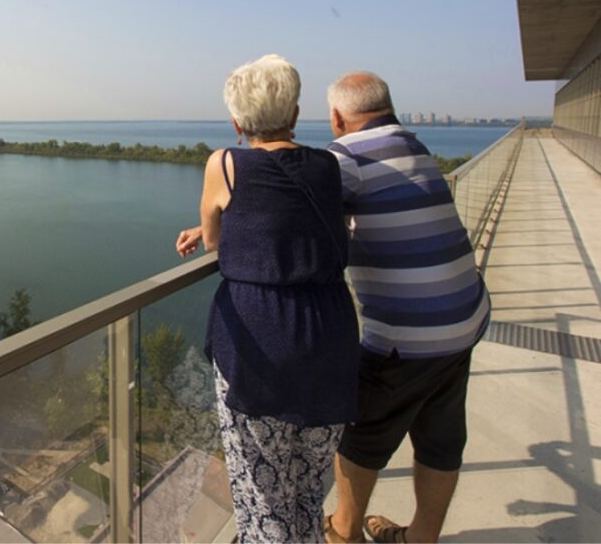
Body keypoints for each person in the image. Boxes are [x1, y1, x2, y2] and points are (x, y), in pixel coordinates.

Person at [175, 54, 359, 543]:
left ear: (237, 121)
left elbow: (215, 241)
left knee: (263, 493)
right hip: (330, 334)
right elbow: (286, 218)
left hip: (260, 343)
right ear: (295, 113)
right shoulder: (326, 164)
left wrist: (203, 227)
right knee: (306, 486)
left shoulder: (225, 163)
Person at [322, 72, 491, 544]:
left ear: (337, 117)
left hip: (408, 335)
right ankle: (421, 539)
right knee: (439, 438)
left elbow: (289, 212)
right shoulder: (414, 145)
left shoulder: (347, 155)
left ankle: (343, 532)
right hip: (465, 317)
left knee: (359, 437)